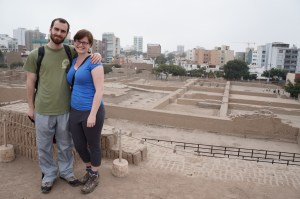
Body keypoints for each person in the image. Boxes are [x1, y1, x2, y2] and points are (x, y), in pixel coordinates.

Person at [23, 18, 102, 194]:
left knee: (66, 145)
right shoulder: (37, 54)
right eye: (56, 29)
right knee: (44, 146)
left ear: (67, 34)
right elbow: (30, 82)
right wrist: (30, 107)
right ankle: (49, 175)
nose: (59, 33)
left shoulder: (70, 51)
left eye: (63, 31)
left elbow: (86, 53)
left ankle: (66, 172)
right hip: (43, 109)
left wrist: (98, 54)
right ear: (50, 29)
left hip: (66, 110)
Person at [67, 29, 105, 194]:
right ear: (74, 42)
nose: (80, 44)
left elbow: (99, 90)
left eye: (84, 42)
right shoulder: (74, 60)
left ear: (90, 45)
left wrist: (92, 114)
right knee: (79, 144)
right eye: (78, 41)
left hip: (91, 110)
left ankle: (94, 175)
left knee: (94, 144)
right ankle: (90, 171)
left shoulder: (94, 61)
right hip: (75, 110)